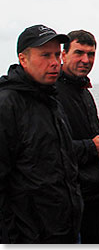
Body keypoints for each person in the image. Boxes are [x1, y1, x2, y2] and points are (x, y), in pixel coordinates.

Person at [0, 25, 82, 243]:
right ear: (23, 59)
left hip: (65, 228)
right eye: (45, 55)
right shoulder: (8, 105)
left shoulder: (50, 99)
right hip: (31, 236)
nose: (55, 62)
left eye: (57, 54)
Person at [55, 30, 99, 243]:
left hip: (97, 192)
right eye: (79, 53)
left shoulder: (83, 91)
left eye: (91, 54)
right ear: (63, 55)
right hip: (75, 197)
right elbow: (49, 150)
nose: (86, 60)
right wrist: (91, 147)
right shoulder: (53, 94)